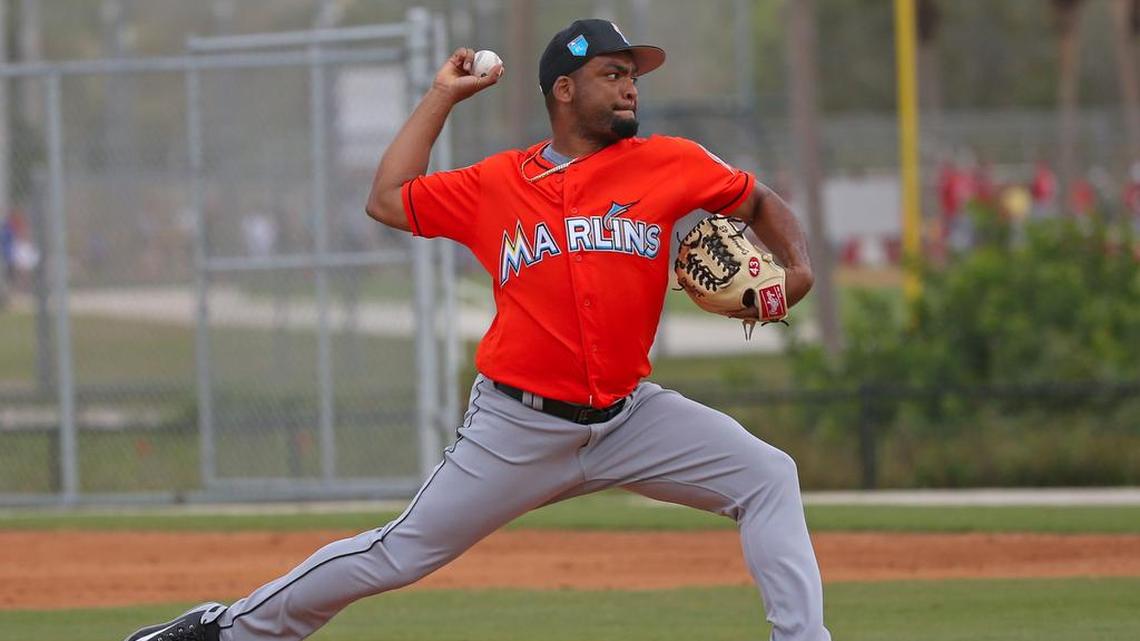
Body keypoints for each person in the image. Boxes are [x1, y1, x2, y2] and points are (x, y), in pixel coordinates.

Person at [123, 19, 830, 641]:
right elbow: (388, 198)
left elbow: (757, 198)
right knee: (395, 553)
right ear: (563, 89)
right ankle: (225, 630)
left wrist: (794, 269)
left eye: (632, 76)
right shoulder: (498, 183)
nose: (630, 88)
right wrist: (443, 97)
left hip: (629, 415)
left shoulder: (670, 162)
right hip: (517, 425)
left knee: (769, 475)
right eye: (611, 74)